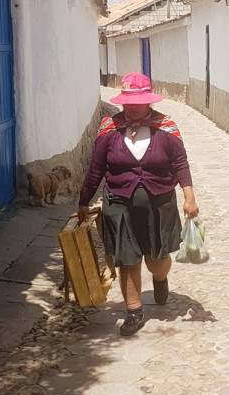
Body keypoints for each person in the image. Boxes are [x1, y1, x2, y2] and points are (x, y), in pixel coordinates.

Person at [78, 72, 199, 336]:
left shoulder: (166, 127)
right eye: (128, 102)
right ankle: (133, 311)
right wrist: (84, 201)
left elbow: (180, 164)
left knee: (156, 258)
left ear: (149, 101)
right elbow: (96, 168)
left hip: (159, 203)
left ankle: (159, 277)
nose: (132, 108)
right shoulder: (110, 128)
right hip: (118, 203)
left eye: (139, 101)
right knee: (127, 258)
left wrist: (189, 197)